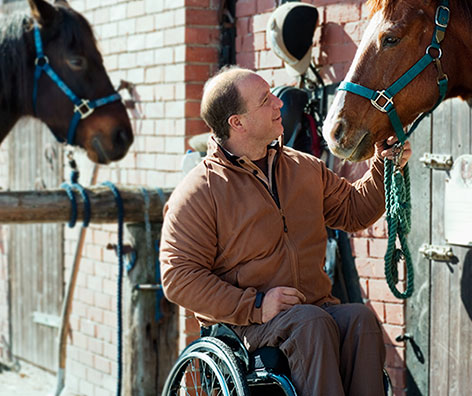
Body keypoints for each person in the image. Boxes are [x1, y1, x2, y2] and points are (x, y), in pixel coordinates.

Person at [159, 66, 412, 396]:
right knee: (311, 324)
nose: (279, 104)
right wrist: (257, 305)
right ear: (238, 122)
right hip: (247, 326)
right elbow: (178, 277)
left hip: (313, 308)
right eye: (265, 100)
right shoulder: (199, 192)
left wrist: (385, 166)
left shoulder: (303, 167)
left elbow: (353, 211)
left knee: (360, 319)